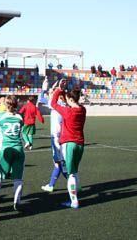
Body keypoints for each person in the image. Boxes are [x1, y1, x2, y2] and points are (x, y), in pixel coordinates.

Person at [50, 81, 87, 209]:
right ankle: (74, 198)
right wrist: (66, 95)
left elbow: (53, 103)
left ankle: (74, 201)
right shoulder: (82, 110)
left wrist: (59, 90)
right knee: (75, 172)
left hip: (68, 144)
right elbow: (72, 104)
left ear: (71, 99)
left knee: (70, 174)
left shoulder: (67, 112)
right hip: (80, 144)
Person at [0, 96, 25, 211]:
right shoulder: (19, 117)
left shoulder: (1, 117)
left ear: (6, 105)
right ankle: (17, 201)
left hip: (5, 149)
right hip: (18, 148)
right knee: (18, 177)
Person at [41, 81, 68, 193]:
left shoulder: (54, 105)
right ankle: (53, 184)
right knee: (62, 162)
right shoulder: (66, 105)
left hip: (56, 136)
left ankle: (70, 183)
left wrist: (44, 87)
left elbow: (41, 98)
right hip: (65, 136)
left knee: (58, 162)